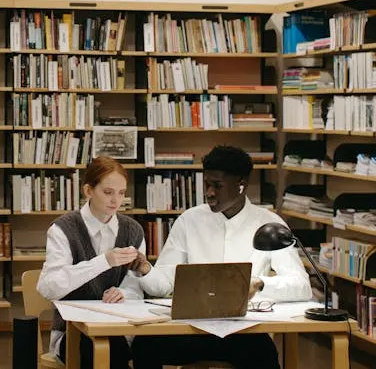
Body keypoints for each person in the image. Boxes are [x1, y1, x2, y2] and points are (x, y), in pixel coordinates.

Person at [130, 145, 312, 369]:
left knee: (265, 356)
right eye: (207, 184)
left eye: (218, 185)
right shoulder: (189, 221)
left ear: (241, 185)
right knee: (144, 345)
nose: (209, 192)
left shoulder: (268, 224)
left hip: (243, 331)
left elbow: (301, 286)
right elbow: (164, 284)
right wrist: (146, 270)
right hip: (190, 329)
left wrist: (260, 283)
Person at [37, 156, 146, 369]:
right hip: (73, 331)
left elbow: (136, 286)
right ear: (88, 191)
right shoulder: (63, 229)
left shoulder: (133, 230)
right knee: (100, 349)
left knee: (144, 347)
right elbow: (48, 287)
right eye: (108, 192)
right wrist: (103, 261)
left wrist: (124, 293)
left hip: (120, 328)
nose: (116, 201)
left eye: (121, 193)